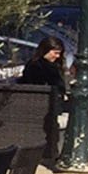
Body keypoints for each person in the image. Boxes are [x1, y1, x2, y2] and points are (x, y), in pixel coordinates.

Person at [20, 37, 70, 166]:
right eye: (55, 52)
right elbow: (38, 87)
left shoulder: (50, 65)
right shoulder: (37, 66)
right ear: (45, 50)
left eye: (59, 53)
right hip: (44, 105)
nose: (58, 56)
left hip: (52, 102)